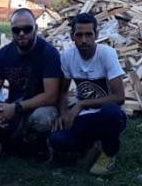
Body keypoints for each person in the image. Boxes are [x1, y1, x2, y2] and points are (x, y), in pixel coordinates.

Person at [49, 13, 127, 175]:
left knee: (111, 113)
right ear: (72, 36)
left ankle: (109, 153)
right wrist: (63, 114)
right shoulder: (67, 57)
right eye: (79, 35)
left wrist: (82, 104)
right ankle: (90, 146)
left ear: (96, 35)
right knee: (58, 140)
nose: (84, 40)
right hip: (84, 117)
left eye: (88, 34)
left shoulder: (107, 54)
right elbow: (63, 91)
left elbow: (119, 97)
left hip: (106, 115)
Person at [0, 8, 61, 156]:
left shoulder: (48, 53)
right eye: (16, 30)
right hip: (12, 105)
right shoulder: (4, 54)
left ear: (36, 28)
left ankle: (40, 146)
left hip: (38, 106)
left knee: (41, 118)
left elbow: (51, 96)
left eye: (27, 29)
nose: (21, 33)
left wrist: (16, 108)